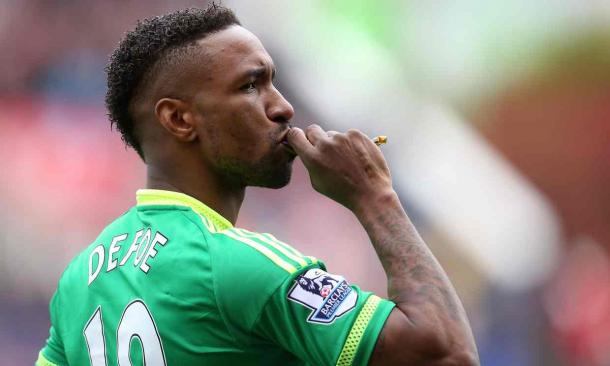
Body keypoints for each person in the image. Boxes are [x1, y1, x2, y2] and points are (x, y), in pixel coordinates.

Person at [36, 4, 478, 366]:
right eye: (251, 85)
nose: (283, 107)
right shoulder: (240, 264)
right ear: (178, 119)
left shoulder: (79, 281)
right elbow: (446, 353)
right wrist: (375, 197)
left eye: (273, 82)